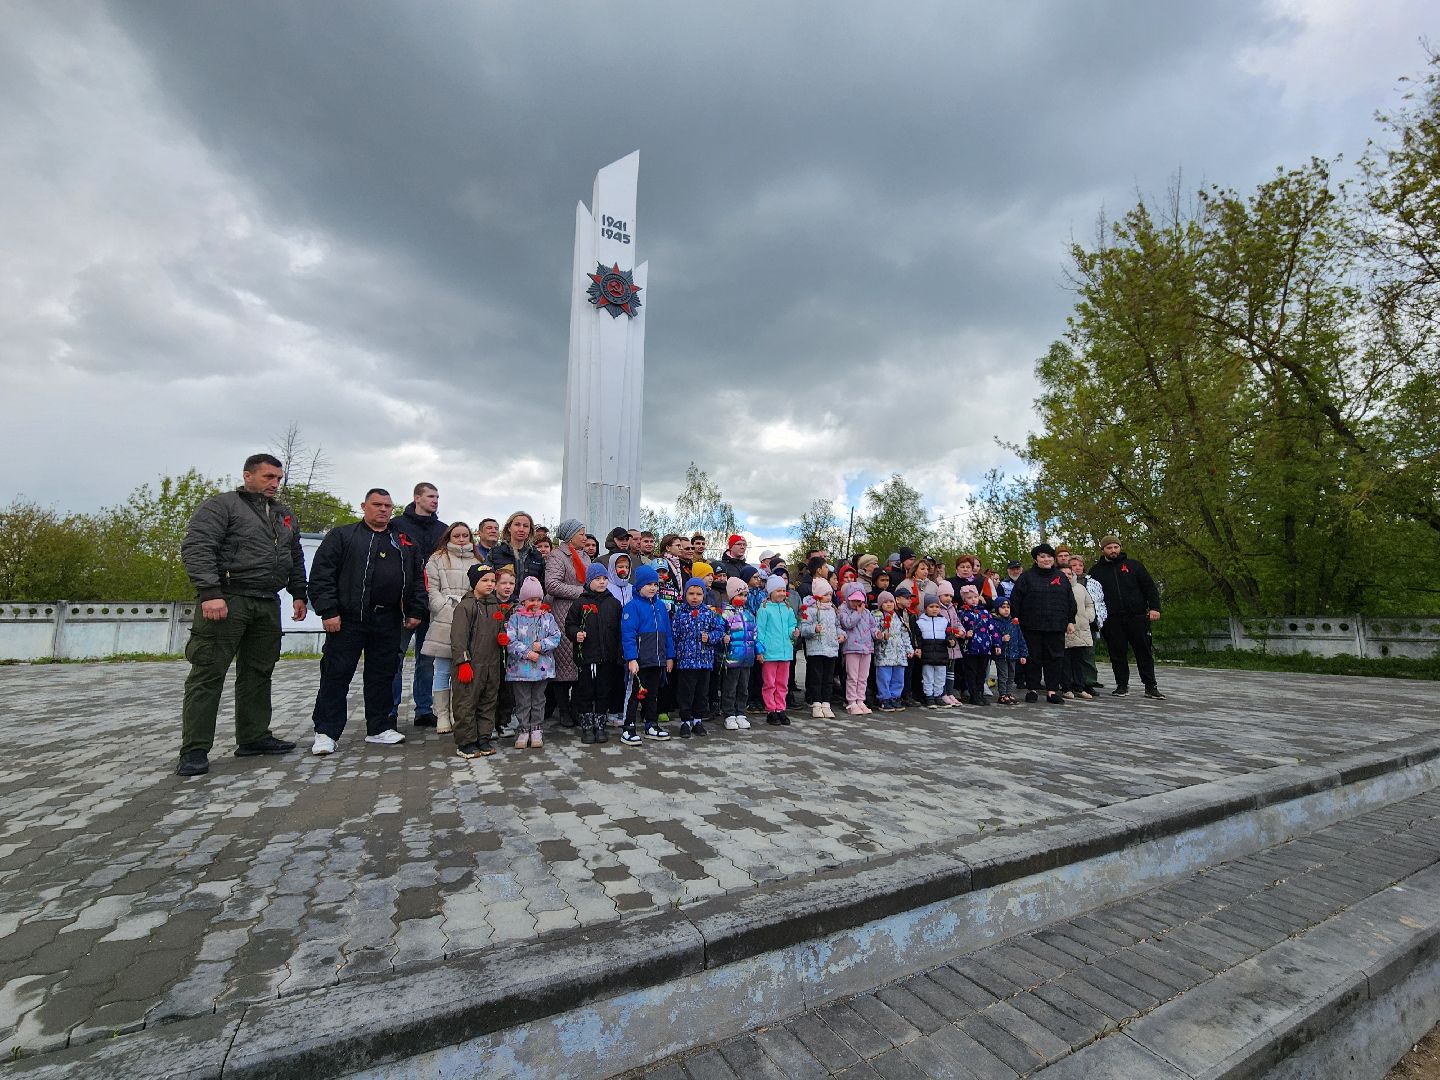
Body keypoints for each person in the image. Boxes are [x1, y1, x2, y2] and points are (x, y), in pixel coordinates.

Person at [175, 452, 308, 776]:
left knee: (259, 671)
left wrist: (299, 593)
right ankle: (194, 750)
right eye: (268, 477)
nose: (275, 484)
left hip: (266, 602)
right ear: (248, 476)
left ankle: (253, 737)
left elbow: (294, 555)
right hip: (228, 599)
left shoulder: (284, 515)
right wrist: (210, 593)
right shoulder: (222, 506)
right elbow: (198, 547)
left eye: (278, 479)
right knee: (208, 672)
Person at [309, 488, 425, 755]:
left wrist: (415, 610)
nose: (383, 509)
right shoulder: (343, 536)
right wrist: (328, 611)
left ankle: (379, 727)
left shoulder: (403, 541)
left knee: (383, 674)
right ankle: (326, 732)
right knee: (336, 674)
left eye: (388, 505)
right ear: (364, 506)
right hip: (347, 619)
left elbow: (418, 579)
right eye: (377, 504)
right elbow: (321, 576)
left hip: (388, 618)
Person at [390, 483, 447, 729]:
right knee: (396, 657)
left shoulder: (442, 530)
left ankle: (424, 709)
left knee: (427, 660)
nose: (435, 501)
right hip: (403, 602)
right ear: (416, 498)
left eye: (437, 497)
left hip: (432, 603)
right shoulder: (397, 526)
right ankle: (389, 710)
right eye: (430, 496)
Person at [1088, 536, 1164, 698]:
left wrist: (1155, 608)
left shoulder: (1134, 566)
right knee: (1117, 654)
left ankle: (1150, 686)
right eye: (1109, 548)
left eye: (1116, 547)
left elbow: (1149, 587)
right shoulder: (1096, 571)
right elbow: (1093, 596)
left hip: (1137, 616)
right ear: (1103, 550)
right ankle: (1122, 685)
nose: (1113, 550)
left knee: (1143, 652)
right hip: (1112, 619)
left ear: (1120, 548)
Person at [420, 521, 478, 735]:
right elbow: (431, 588)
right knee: (443, 669)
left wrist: (471, 609)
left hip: (470, 617)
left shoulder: (477, 558)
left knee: (463, 666)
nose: (462, 539)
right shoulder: (437, 558)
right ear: (449, 537)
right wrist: (442, 606)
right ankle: (442, 714)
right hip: (445, 617)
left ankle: (457, 712)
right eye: (457, 536)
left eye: (465, 535)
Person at [1009, 543, 1076, 705]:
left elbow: (1070, 601)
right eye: (1042, 556)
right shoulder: (1026, 577)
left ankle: (1052, 691)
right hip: (1031, 626)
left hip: (1056, 626)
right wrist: (1015, 620)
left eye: (1049, 556)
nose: (1046, 559)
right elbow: (1015, 600)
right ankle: (1032, 689)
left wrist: (1070, 620)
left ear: (1053, 559)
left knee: (1055, 658)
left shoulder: (1061, 577)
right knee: (1033, 658)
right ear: (1036, 559)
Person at [450, 563, 505, 759]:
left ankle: (483, 737)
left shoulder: (495, 605)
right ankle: (466, 742)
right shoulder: (466, 607)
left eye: (492, 581)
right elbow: (458, 638)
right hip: (471, 666)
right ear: (474, 583)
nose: (490, 584)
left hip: (492, 664)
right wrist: (462, 662)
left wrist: (502, 636)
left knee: (488, 701)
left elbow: (500, 628)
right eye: (485, 581)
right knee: (466, 703)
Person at [565, 564, 621, 745]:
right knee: (586, 691)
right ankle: (587, 725)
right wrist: (576, 634)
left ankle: (600, 724)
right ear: (589, 581)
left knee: (604, 691)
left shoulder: (613, 603)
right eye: (598, 579)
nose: (602, 582)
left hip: (607, 657)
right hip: (587, 656)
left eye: (604, 578)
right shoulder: (580, 603)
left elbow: (620, 629)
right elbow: (569, 624)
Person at [504, 577, 561, 749]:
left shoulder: (547, 618)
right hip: (520, 670)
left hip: (542, 669)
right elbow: (510, 641)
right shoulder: (515, 618)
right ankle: (523, 729)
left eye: (538, 600)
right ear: (523, 601)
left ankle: (536, 728)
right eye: (531, 600)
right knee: (522, 701)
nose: (535, 603)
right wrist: (527, 653)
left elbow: (556, 636)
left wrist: (542, 645)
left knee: (538, 700)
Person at [620, 564, 674, 744]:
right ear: (639, 586)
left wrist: (669, 656)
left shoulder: (660, 606)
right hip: (640, 661)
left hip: (657, 660)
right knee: (635, 694)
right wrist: (631, 658)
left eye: (655, 584)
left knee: (653, 694)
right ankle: (628, 727)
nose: (653, 588)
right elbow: (628, 635)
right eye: (648, 584)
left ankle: (651, 724)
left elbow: (667, 633)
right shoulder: (632, 607)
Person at [544, 518, 589, 729]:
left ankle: (577, 707)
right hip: (562, 612)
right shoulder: (557, 555)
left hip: (583, 613)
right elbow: (552, 584)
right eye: (581, 533)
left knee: (580, 661)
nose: (585, 537)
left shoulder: (585, 556)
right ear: (570, 535)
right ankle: (563, 709)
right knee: (564, 662)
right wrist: (581, 592)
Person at [672, 576, 725, 737]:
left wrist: (709, 638)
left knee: (701, 693)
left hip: (704, 661)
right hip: (686, 663)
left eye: (698, 594)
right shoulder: (680, 614)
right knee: (686, 693)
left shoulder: (709, 614)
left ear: (703, 596)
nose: (695, 597)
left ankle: (698, 720)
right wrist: (674, 656)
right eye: (691, 594)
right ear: (685, 594)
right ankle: (685, 722)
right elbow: (674, 636)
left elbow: (719, 631)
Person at [756, 575, 799, 726]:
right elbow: (760, 630)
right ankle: (770, 709)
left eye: (783, 590)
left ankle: (781, 708)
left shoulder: (787, 608)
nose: (781, 593)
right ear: (770, 592)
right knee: (770, 683)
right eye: (778, 590)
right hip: (770, 653)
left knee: (782, 683)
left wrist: (793, 632)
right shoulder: (765, 609)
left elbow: (791, 624)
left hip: (785, 652)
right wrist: (760, 649)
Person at [718, 575, 758, 730]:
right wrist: (723, 638)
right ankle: (729, 714)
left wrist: (758, 651)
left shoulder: (749, 614)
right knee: (730, 687)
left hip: (747, 659)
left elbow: (755, 635)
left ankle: (741, 712)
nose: (743, 598)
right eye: (740, 594)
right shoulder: (725, 614)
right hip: (732, 658)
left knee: (743, 687)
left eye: (745, 595)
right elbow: (720, 632)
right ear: (731, 595)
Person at [799, 578, 841, 718]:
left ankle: (826, 703)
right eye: (826, 594)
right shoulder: (810, 610)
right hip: (816, 649)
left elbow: (837, 627)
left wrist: (841, 635)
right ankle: (816, 703)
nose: (829, 597)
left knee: (828, 678)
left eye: (830, 594)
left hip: (831, 649)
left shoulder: (832, 610)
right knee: (816, 678)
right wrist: (813, 629)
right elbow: (803, 628)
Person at [958, 584, 1003, 706]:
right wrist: (965, 634)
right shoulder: (963, 613)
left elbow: (993, 629)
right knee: (971, 672)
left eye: (975, 597)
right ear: (964, 600)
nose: (973, 599)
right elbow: (959, 628)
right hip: (970, 648)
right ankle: (973, 695)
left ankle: (980, 693)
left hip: (985, 647)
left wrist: (997, 644)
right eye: (970, 597)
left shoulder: (985, 612)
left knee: (982, 673)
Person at [1068, 555, 1108, 693]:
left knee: (1088, 654)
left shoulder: (1092, 583)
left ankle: (1089, 682)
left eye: (1080, 565)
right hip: (1070, 624)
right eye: (1074, 565)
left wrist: (1092, 617)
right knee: (1071, 655)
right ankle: (1072, 682)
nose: (1077, 568)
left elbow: (1098, 602)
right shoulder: (1064, 581)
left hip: (1087, 624)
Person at [837, 582, 877, 714]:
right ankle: (851, 701)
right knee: (852, 676)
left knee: (863, 676)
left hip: (866, 648)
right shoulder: (843, 610)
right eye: (853, 600)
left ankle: (861, 700)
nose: (856, 603)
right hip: (852, 648)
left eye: (859, 600)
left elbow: (872, 626)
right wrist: (857, 614)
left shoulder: (867, 612)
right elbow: (847, 624)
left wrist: (877, 634)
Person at [873, 591, 913, 711]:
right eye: (885, 602)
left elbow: (904, 634)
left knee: (898, 677)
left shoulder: (898, 617)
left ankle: (895, 697)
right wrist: (880, 635)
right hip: (884, 653)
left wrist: (908, 648)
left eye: (891, 601)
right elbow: (874, 631)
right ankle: (884, 698)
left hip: (898, 654)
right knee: (884, 677)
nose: (889, 604)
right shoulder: (877, 616)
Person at [1062, 565, 1097, 699]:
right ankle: (1066, 688)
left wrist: (1088, 617)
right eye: (1064, 573)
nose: (1067, 576)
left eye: (1069, 573)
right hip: (1065, 629)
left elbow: (1090, 604)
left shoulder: (1080, 588)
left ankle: (1079, 687)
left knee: (1080, 661)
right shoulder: (1056, 588)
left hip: (1081, 629)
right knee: (1065, 661)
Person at [914, 592, 953, 708]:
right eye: (931, 607)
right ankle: (929, 697)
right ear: (926, 608)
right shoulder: (920, 622)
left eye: (937, 607)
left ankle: (938, 696)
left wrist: (951, 641)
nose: (935, 609)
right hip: (927, 655)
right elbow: (918, 639)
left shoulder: (944, 621)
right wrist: (919, 649)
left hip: (941, 655)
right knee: (928, 677)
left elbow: (949, 636)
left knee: (940, 677)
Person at [492, 511, 546, 587]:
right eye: (517, 525)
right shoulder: (495, 553)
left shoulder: (536, 556)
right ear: (509, 528)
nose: (521, 529)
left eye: (526, 526)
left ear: (530, 530)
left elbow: (542, 584)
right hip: (501, 599)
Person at [993, 596, 1027, 705]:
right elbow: (992, 637)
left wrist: (1023, 654)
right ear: (997, 609)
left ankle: (1009, 693)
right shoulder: (995, 622)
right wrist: (1001, 640)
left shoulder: (1014, 623)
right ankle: (1002, 694)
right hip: (1001, 654)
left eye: (1008, 607)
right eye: (1003, 607)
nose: (1006, 609)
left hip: (1013, 654)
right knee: (1003, 675)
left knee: (1011, 675)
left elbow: (1020, 639)